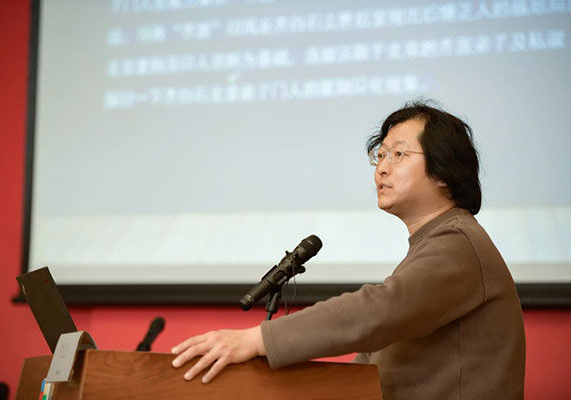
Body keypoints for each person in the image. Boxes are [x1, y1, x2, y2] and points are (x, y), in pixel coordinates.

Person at [171, 100, 526, 399]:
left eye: (398, 154)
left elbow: (381, 310)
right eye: (380, 155)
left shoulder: (458, 244)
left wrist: (258, 339)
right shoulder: (434, 244)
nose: (382, 168)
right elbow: (372, 363)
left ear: (445, 171)